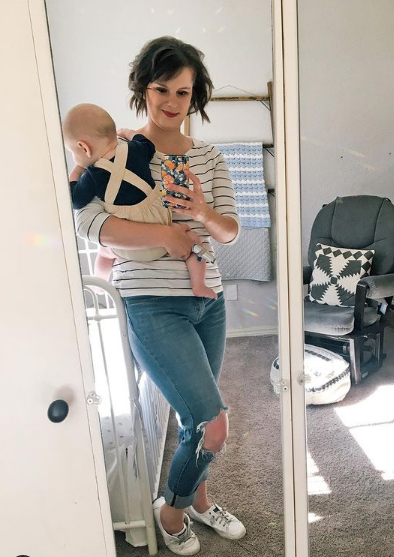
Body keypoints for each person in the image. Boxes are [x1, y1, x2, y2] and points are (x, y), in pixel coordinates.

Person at [74, 36, 245, 555]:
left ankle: (196, 498)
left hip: (207, 302)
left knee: (200, 417)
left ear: (196, 96)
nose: (172, 101)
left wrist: (202, 213)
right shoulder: (122, 150)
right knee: (213, 424)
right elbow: (90, 224)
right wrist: (164, 237)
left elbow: (231, 231)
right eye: (162, 88)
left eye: (184, 91)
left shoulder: (210, 158)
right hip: (150, 303)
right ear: (142, 89)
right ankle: (170, 510)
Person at [63, 103, 217, 299]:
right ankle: (199, 285)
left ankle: (99, 286)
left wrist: (77, 170)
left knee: (104, 252)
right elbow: (147, 144)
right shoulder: (135, 150)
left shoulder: (92, 176)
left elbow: (75, 200)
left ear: (83, 147)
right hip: (164, 228)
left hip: (129, 247)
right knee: (194, 241)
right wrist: (128, 132)